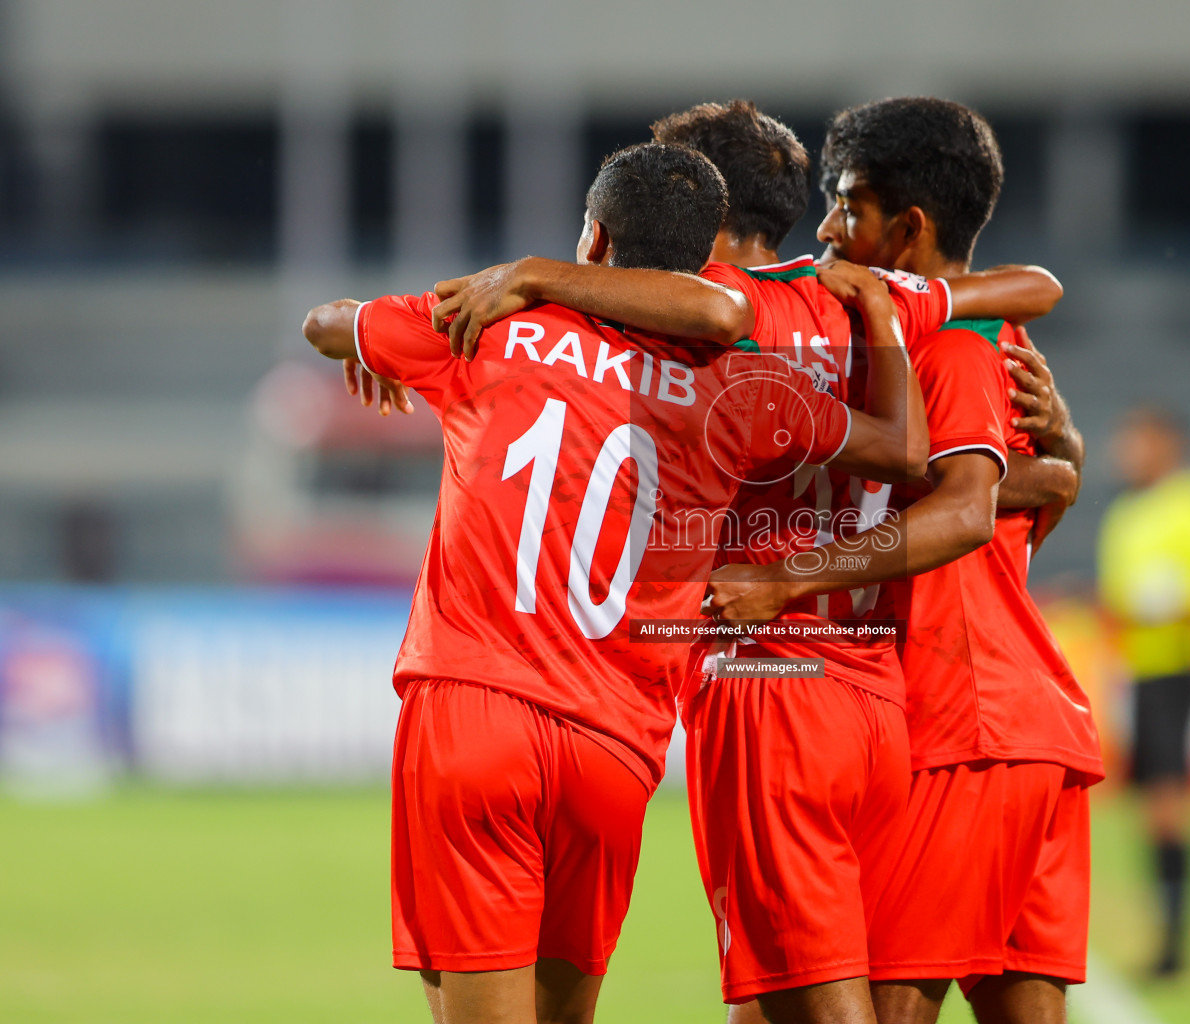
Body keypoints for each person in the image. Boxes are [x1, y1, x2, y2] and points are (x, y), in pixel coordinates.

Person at [419, 99, 1070, 1024]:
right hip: (876, 697)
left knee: (823, 1001)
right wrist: (1058, 465)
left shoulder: (704, 322)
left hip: (767, 677)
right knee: (776, 998)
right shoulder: (848, 301)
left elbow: (714, 308)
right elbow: (1031, 290)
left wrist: (537, 277)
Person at [300, 141, 931, 1024]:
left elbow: (326, 323)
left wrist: (383, 336)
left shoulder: (490, 326)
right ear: (703, 253)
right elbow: (903, 450)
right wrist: (886, 322)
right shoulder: (736, 385)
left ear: (593, 236)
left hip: (474, 712)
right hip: (613, 746)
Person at [705, 97, 1101, 1024]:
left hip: (959, 727)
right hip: (1032, 725)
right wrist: (1061, 468)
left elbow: (964, 513)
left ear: (909, 226)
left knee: (866, 1009)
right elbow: (1010, 510)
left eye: (847, 206)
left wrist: (784, 577)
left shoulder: (950, 352)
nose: (830, 227)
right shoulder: (992, 340)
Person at [1097, 405, 1190, 978]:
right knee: (1149, 807)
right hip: (1135, 670)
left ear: (1167, 444)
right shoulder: (1128, 510)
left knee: (1170, 804)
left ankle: (1174, 946)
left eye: (1136, 441)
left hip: (1175, 668)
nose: (1126, 452)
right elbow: (1119, 596)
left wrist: (1163, 604)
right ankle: (1164, 939)